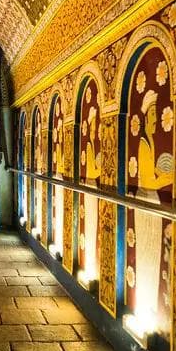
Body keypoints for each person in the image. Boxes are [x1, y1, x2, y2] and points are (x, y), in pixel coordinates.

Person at [134, 88, 173, 327]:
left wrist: (164, 174)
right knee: (148, 253)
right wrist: (172, 176)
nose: (155, 122)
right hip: (146, 201)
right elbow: (149, 180)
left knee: (151, 254)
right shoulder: (143, 144)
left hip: (151, 202)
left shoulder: (148, 143)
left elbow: (152, 173)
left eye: (157, 118)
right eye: (152, 118)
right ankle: (146, 306)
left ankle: (146, 305)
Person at [80, 107, 101, 279]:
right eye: (93, 128)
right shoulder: (88, 146)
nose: (96, 132)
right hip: (89, 191)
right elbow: (91, 171)